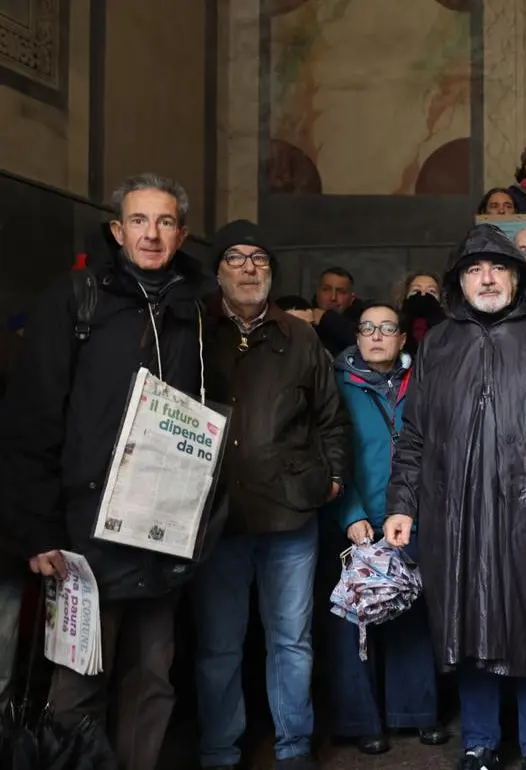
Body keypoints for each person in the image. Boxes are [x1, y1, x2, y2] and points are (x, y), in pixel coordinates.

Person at [0, 173, 212, 770]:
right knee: (77, 682)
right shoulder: (76, 298)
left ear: (183, 233)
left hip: (162, 534)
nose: (152, 233)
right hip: (83, 535)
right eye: (139, 221)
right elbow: (32, 420)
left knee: (153, 679)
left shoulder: (191, 311)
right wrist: (38, 530)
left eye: (165, 221)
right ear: (117, 230)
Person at [384, 223, 526, 770]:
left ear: (519, 277)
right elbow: (414, 434)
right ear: (459, 282)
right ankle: (479, 743)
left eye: (498, 268)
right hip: (453, 514)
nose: (486, 279)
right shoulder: (436, 344)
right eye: (474, 269)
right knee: (466, 627)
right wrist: (401, 503)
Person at [195, 219, 350, 770]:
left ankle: (293, 745)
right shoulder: (192, 330)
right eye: (235, 257)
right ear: (218, 271)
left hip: (290, 513)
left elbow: (332, 418)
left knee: (292, 640)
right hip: (217, 517)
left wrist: (330, 478)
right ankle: (218, 748)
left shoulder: (301, 336)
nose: (248, 267)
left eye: (258, 257)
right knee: (218, 645)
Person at [327, 304, 447, 756]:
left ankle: (414, 713)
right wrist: (350, 512)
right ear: (357, 336)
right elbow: (333, 449)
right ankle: (361, 721)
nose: (377, 335)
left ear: (402, 340)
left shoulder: (424, 383)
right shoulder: (337, 384)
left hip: (412, 513)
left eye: (388, 329)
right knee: (353, 618)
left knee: (409, 611)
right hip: (356, 514)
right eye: (368, 328)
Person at [313, 266, 364, 355]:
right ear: (317, 293)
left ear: (352, 298)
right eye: (326, 290)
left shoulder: (363, 321)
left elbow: (364, 343)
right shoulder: (303, 320)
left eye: (341, 292)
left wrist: (327, 318)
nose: (333, 297)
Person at [399, 271, 446, 353]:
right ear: (405, 296)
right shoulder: (395, 326)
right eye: (416, 290)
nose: (423, 294)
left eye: (431, 291)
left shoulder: (451, 330)